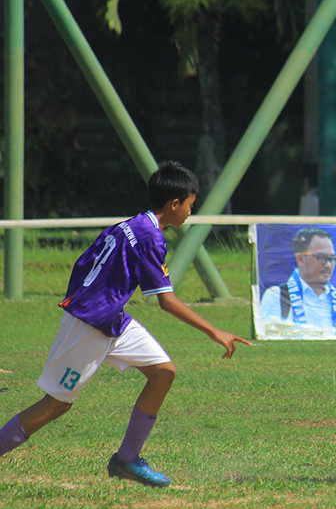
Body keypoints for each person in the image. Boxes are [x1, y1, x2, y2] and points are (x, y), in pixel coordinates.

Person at [0, 161, 252, 488]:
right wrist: (215, 331)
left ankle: (127, 460)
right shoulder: (150, 237)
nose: (192, 210)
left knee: (163, 371)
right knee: (55, 405)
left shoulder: (128, 226)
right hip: (89, 324)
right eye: (191, 204)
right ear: (174, 204)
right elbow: (165, 300)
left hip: (112, 319)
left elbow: (84, 263)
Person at [259, 227, 336, 338]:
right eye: (321, 257)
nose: (328, 265)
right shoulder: (276, 297)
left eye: (332, 258)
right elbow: (268, 341)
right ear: (300, 259)